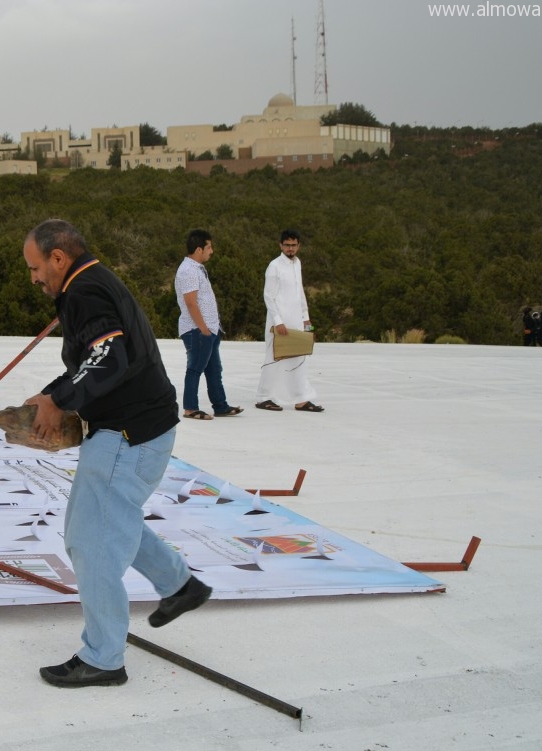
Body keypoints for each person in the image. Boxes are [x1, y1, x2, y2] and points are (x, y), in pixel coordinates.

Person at [21, 219, 212, 688]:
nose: (34, 277)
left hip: (127, 435)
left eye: (35, 267)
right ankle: (179, 585)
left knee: (92, 541)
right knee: (111, 521)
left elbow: (110, 358)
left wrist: (60, 400)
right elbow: (101, 357)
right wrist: (52, 394)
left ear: (58, 258)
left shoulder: (85, 292)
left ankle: (104, 658)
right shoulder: (94, 281)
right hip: (145, 428)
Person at [174, 229, 242, 420]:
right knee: (195, 368)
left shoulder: (195, 268)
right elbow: (190, 302)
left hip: (209, 329)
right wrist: (203, 329)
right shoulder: (187, 270)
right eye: (209, 247)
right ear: (198, 249)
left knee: (214, 369)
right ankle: (190, 408)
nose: (211, 251)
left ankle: (220, 406)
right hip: (197, 330)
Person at [254, 229, 323, 412]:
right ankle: (264, 397)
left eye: (293, 245)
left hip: (296, 322)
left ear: (298, 246)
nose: (290, 249)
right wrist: (278, 321)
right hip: (279, 324)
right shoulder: (274, 266)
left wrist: (306, 320)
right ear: (281, 245)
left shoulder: (297, 263)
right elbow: (268, 296)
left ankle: (301, 399)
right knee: (274, 358)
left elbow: (300, 292)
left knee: (298, 359)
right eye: (287, 245)